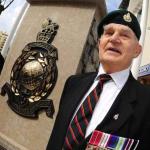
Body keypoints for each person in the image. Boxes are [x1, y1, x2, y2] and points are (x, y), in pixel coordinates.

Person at [46, 9, 150, 150]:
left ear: (137, 50)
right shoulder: (73, 83)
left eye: (125, 35)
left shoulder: (146, 101)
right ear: (100, 43)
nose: (114, 39)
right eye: (108, 33)